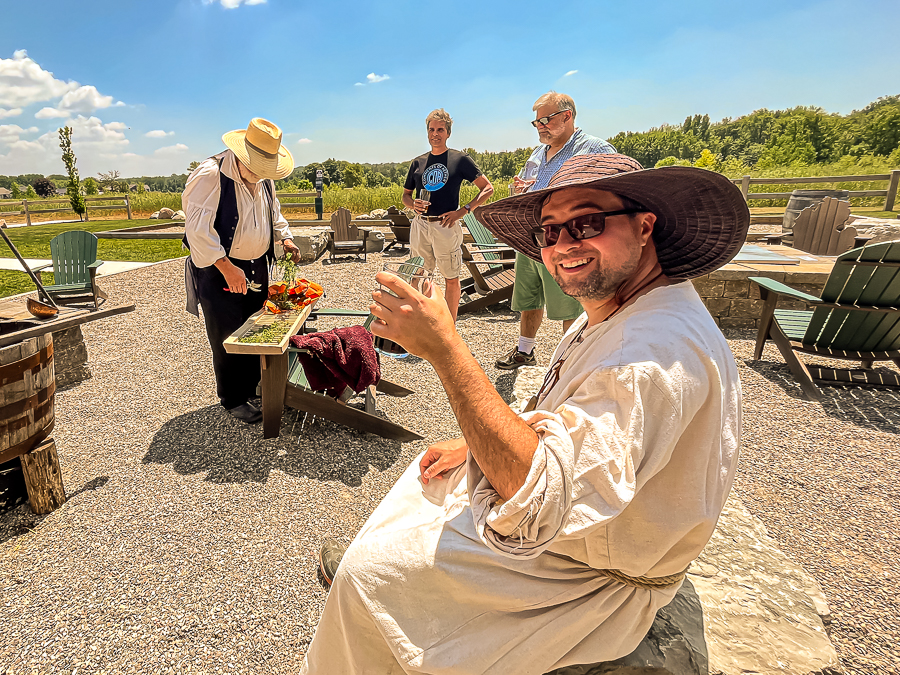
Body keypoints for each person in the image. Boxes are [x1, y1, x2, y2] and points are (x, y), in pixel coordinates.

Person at [303, 153, 749, 674]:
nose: (564, 245)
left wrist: (447, 349)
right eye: (549, 232)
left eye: (587, 223)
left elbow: (538, 506)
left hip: (587, 579)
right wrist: (474, 446)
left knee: (366, 576)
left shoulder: (641, 356)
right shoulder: (637, 306)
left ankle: (370, 613)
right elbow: (568, 418)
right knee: (426, 473)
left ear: (645, 226)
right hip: (589, 534)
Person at [182, 117, 301, 424]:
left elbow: (274, 214)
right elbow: (197, 232)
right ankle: (233, 398)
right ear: (241, 155)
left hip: (257, 265)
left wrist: (285, 238)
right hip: (218, 267)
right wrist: (226, 267)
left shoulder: (264, 179)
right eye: (258, 167)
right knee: (227, 333)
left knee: (256, 328)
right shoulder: (209, 175)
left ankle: (253, 387)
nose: (262, 176)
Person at [496, 91, 617, 371]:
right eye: (536, 122)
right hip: (534, 235)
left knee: (570, 299)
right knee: (530, 295)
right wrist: (520, 190)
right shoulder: (538, 153)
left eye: (546, 120)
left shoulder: (594, 149)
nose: (540, 126)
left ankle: (574, 361)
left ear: (567, 116)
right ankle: (525, 351)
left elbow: (617, 191)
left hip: (567, 238)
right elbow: (531, 186)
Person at [401, 108, 494, 321]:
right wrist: (412, 205)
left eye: (440, 129)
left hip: (445, 225)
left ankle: (450, 326)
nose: (435, 133)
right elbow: (406, 196)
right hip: (420, 225)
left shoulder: (459, 159)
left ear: (448, 133)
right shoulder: (418, 162)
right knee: (418, 275)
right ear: (427, 132)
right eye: (431, 129)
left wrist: (463, 211)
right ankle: (423, 321)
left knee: (451, 277)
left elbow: (487, 188)